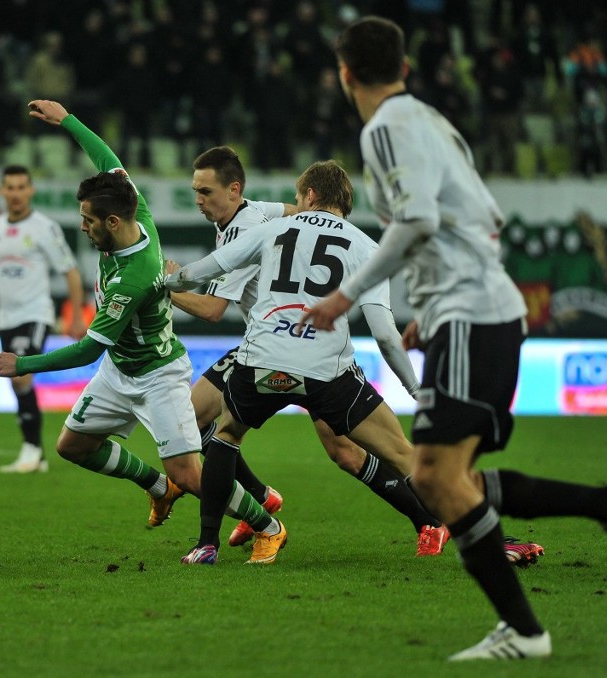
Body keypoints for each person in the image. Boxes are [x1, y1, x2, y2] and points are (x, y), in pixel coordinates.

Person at [302, 16, 607, 660]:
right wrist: (434, 306)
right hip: (471, 309)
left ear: (345, 73)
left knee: (438, 477)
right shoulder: (432, 122)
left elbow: (419, 219)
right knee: (444, 476)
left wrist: (345, 295)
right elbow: (479, 216)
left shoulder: (383, 130)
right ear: (405, 69)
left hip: (471, 312)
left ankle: (529, 625)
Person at [0, 100, 285, 565]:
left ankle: (269, 526)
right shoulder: (134, 209)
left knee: (191, 474)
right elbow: (108, 161)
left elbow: (87, 350)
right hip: (119, 371)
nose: (83, 228)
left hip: (157, 377)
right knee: (72, 446)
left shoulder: (135, 276)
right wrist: (67, 120)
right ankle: (155, 486)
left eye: (88, 221)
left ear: (111, 223)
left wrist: (22, 364)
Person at [169, 145, 453, 558]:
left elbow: (205, 271)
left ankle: (207, 543)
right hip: (325, 369)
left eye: (298, 199)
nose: (292, 207)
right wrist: (415, 392)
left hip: (264, 357)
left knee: (226, 434)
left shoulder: (267, 229)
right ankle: (485, 537)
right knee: (399, 452)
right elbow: (387, 336)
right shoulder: (366, 246)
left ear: (311, 197)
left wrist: (166, 285)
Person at [0, 165, 88, 473]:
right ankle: (35, 453)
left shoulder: (44, 228)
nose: (15, 193)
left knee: (20, 376)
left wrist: (77, 315)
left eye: (21, 187)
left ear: (31, 191)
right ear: (2, 191)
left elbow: (69, 270)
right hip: (6, 317)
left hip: (35, 313)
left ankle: (31, 451)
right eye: (10, 187)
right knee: (17, 383)